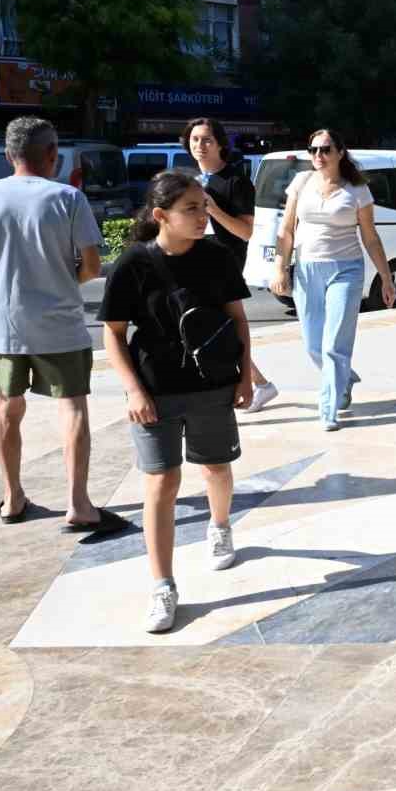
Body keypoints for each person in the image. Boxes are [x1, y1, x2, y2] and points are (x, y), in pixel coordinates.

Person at [0, 117, 125, 535]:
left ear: (9, 156)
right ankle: (79, 505)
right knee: (72, 406)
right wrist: (62, 281)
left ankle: (12, 499)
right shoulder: (68, 198)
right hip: (58, 324)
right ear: (52, 156)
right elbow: (93, 266)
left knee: (7, 406)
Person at [100, 170, 255, 632]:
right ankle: (163, 585)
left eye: (204, 207)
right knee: (161, 483)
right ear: (160, 215)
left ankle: (220, 526)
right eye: (192, 209)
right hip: (154, 392)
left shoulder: (217, 258)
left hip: (211, 384)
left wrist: (245, 375)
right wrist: (133, 389)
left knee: (215, 469)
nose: (202, 217)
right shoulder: (134, 264)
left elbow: (238, 320)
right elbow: (113, 334)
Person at [269, 129, 395, 432]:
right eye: (312, 150)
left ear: (340, 152)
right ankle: (345, 377)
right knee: (313, 343)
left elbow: (370, 237)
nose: (318, 156)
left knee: (334, 344)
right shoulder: (300, 183)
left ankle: (329, 408)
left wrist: (386, 277)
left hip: (346, 270)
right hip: (308, 268)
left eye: (325, 149)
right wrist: (279, 268)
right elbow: (286, 230)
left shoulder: (357, 190)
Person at [183, 117, 279, 412]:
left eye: (207, 140)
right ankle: (257, 383)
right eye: (195, 139)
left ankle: (255, 384)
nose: (200, 145)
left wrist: (212, 208)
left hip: (223, 263)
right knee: (204, 325)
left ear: (221, 144)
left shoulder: (236, 181)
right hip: (190, 260)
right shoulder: (189, 181)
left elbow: (247, 232)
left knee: (220, 324)